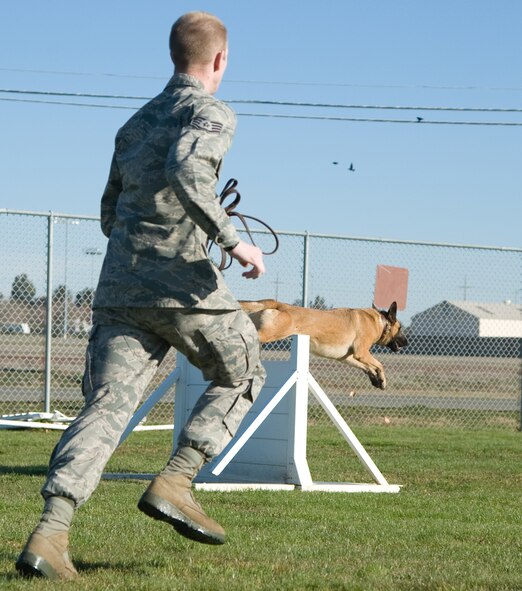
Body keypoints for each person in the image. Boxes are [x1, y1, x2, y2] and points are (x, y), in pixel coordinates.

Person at [16, 11, 266, 581]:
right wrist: (232, 240)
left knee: (105, 408)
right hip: (181, 284)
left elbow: (109, 212)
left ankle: (51, 535)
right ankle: (177, 479)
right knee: (245, 369)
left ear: (173, 55)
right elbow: (188, 167)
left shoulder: (134, 122)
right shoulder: (210, 112)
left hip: (119, 286)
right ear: (219, 60)